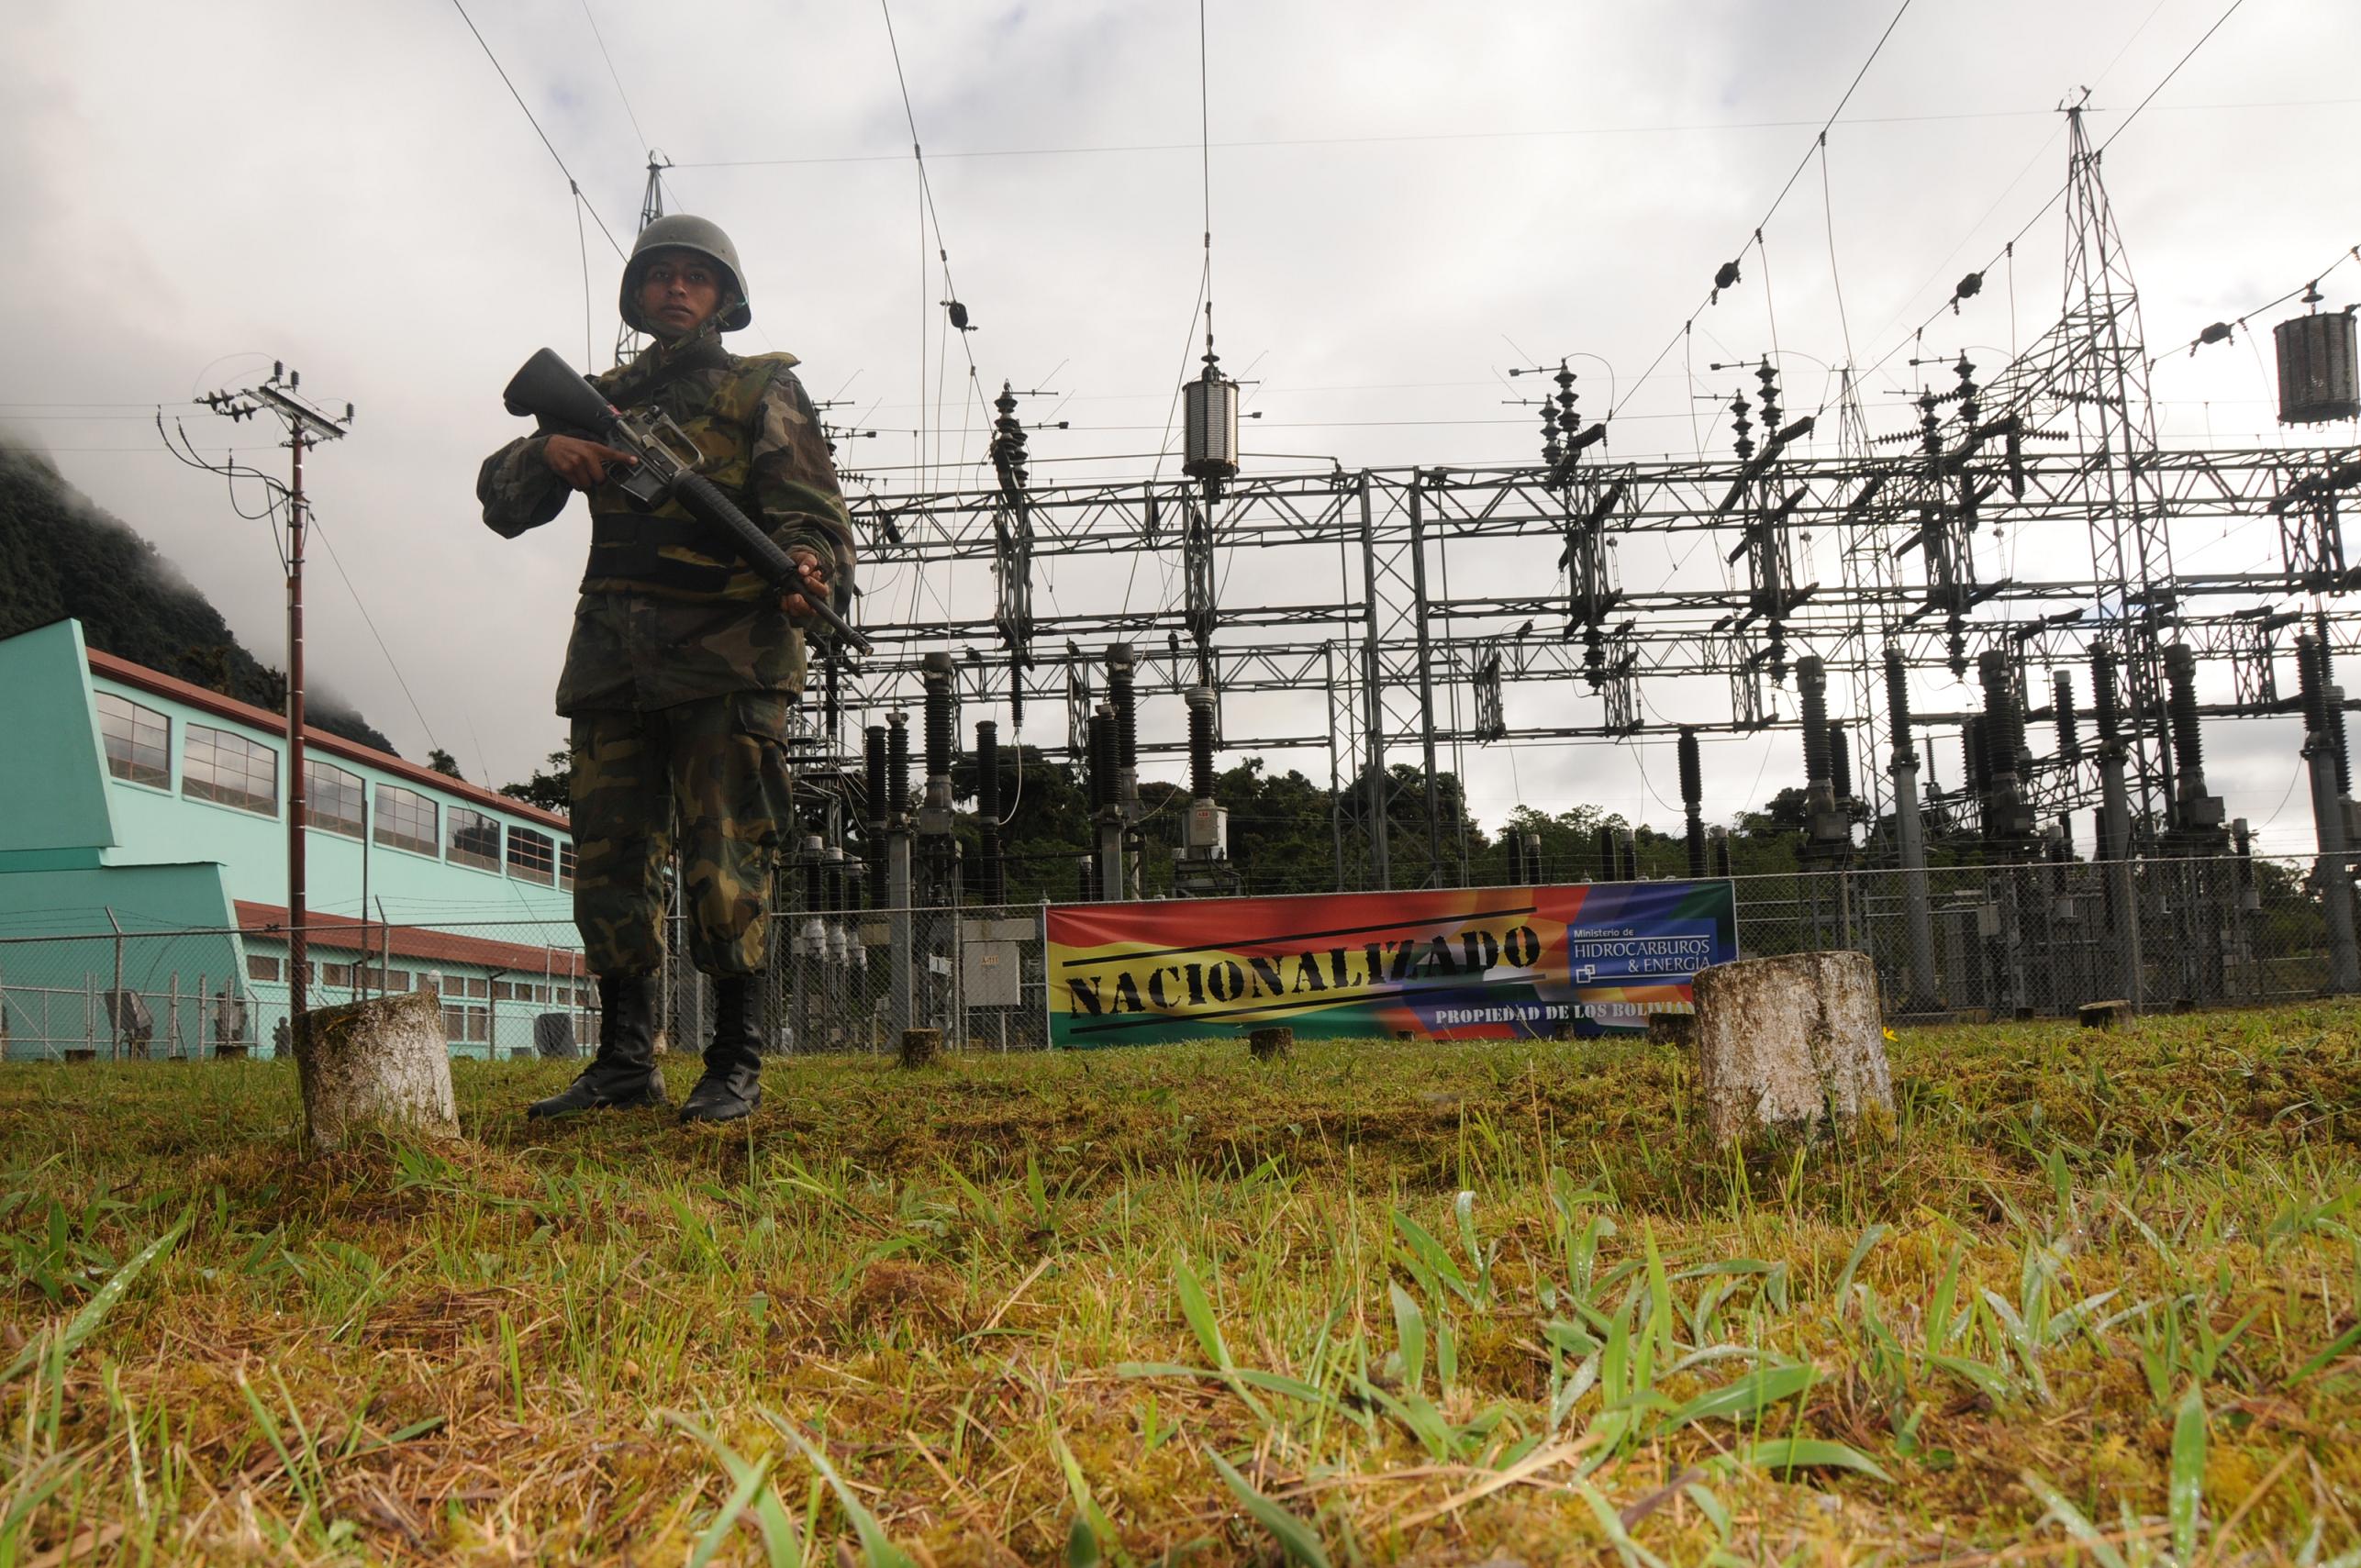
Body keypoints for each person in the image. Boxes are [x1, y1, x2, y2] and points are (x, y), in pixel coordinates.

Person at [477, 214, 856, 1124]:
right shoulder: (597, 396)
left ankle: (734, 1057)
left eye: (697, 277)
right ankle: (622, 1059)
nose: (677, 290)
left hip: (730, 660)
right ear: (637, 295)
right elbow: (500, 500)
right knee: (610, 864)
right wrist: (545, 452)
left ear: (726, 298)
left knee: (726, 863)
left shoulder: (762, 389)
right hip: (615, 661)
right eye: (661, 276)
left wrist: (810, 574)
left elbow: (810, 514)